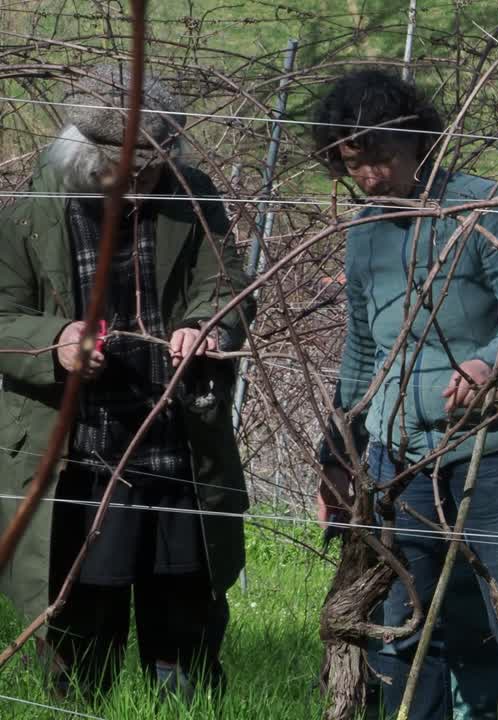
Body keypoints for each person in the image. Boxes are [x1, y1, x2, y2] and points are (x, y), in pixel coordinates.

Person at [311, 69, 498, 719]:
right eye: (356, 165)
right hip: (396, 455)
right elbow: (360, 351)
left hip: (491, 453)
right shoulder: (363, 231)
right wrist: (338, 451)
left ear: (418, 145)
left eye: (383, 158)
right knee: (405, 623)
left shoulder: (482, 209)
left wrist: (487, 364)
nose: (372, 177)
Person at [0, 65, 254, 702]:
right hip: (78, 451)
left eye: (154, 169)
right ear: (84, 156)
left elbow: (225, 287)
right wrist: (56, 341)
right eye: (130, 171)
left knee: (185, 598)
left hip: (177, 443)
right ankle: (76, 708)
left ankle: (185, 706)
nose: (143, 184)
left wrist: (208, 329)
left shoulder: (192, 195)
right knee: (84, 607)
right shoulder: (29, 215)